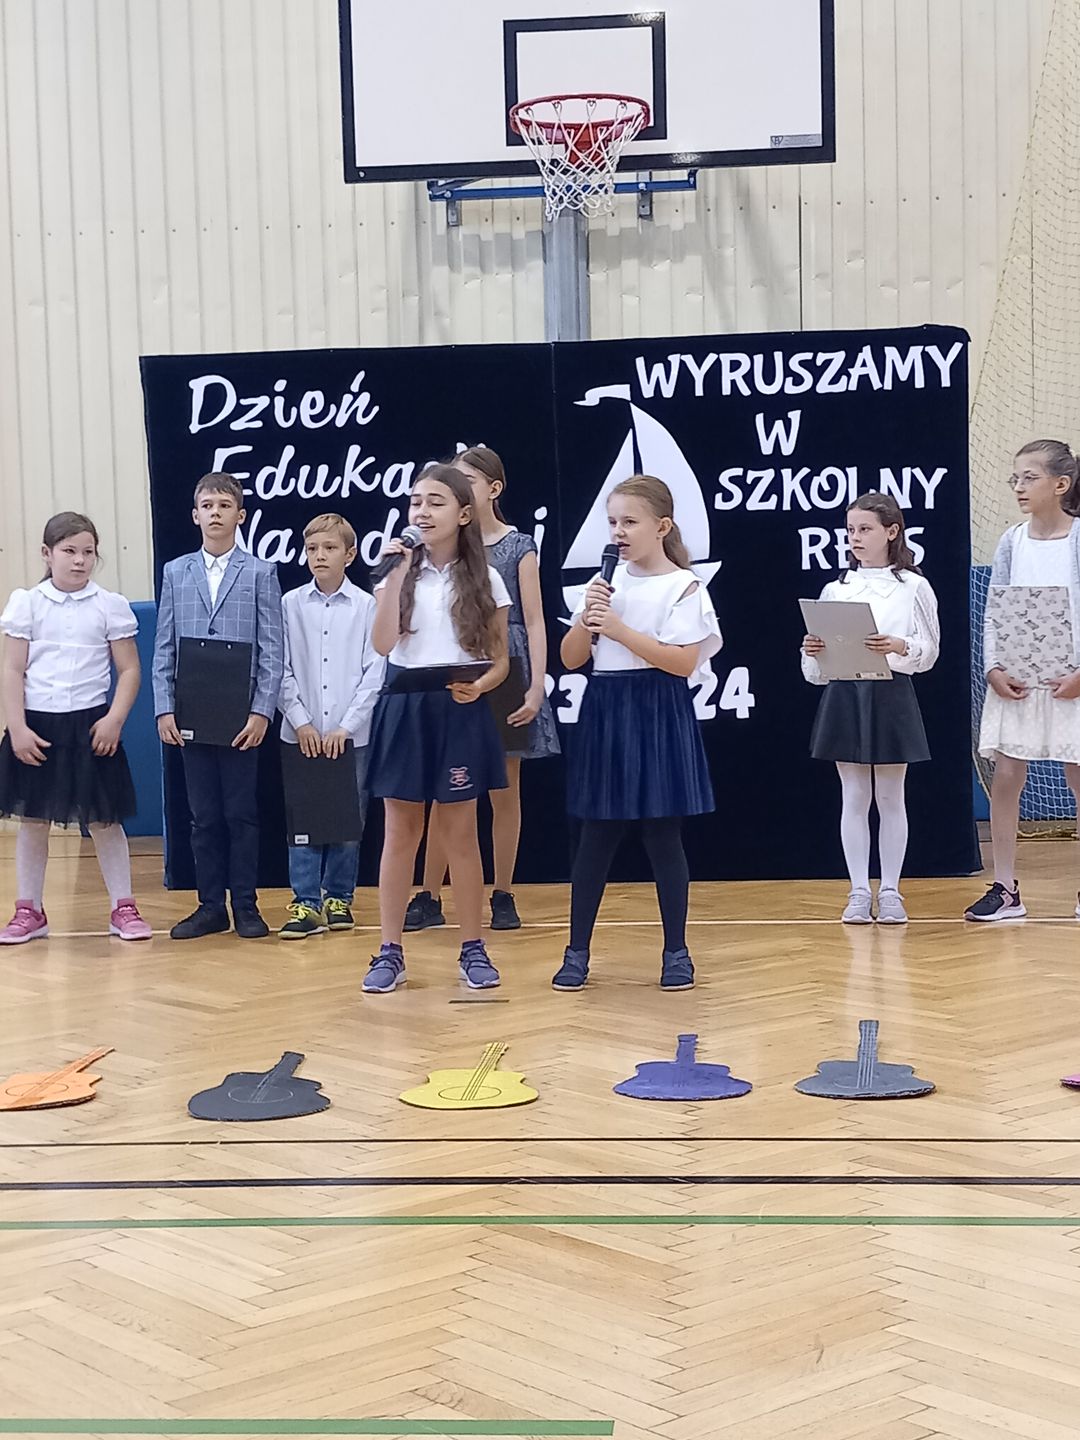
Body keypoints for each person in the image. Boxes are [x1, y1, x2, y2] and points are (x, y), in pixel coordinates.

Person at [552, 475, 720, 992]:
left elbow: (683, 662)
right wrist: (587, 618)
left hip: (658, 706)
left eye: (630, 521)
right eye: (612, 522)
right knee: (596, 835)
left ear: (661, 526)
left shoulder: (684, 585)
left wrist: (621, 630)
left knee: (662, 834)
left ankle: (676, 951)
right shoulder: (605, 584)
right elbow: (571, 658)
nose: (618, 532)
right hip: (607, 705)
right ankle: (577, 951)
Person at [362, 463, 510, 994]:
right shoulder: (397, 571)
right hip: (405, 708)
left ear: (464, 514)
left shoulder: (486, 577)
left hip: (458, 710)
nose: (422, 512)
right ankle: (390, 951)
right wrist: (394, 577)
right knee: (401, 832)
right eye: (415, 502)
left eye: (435, 502)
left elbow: (500, 660)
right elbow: (383, 644)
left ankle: (473, 947)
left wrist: (482, 685)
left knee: (460, 834)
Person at [405, 447, 560, 933]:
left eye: (468, 479)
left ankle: (504, 891)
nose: (459, 487)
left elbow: (533, 620)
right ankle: (429, 894)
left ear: (492, 489)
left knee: (505, 789)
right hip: (454, 665)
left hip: (504, 664)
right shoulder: (437, 549)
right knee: (444, 789)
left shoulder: (517, 546)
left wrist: (536, 685)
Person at [0, 512, 151, 943]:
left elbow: (129, 670)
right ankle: (29, 909)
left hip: (91, 727)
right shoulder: (27, 603)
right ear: (47, 554)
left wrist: (114, 719)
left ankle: (123, 906)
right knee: (33, 819)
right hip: (37, 726)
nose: (80, 560)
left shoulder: (109, 605)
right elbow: (12, 670)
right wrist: (17, 728)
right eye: (69, 551)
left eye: (88, 552)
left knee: (105, 820)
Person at [152, 472, 284, 940]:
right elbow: (164, 645)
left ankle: (245, 905)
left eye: (224, 506)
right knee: (203, 816)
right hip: (191, 711)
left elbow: (273, 648)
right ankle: (210, 906)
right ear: (195, 515)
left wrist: (262, 711)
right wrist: (164, 708)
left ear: (240, 515)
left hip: (240, 715)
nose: (215, 513)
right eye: (207, 506)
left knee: (240, 813)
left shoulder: (260, 572)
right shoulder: (176, 572)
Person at [801, 492, 940, 924]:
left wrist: (899, 646)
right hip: (846, 693)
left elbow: (930, 650)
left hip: (891, 693)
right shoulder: (836, 588)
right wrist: (813, 650)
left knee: (891, 795)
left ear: (892, 531)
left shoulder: (913, 586)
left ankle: (892, 891)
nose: (855, 538)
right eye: (851, 530)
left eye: (865, 529)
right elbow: (816, 671)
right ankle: (859, 890)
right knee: (855, 796)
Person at [966, 440, 1080, 920]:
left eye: (1029, 477)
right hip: (1018, 678)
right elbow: (995, 608)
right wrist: (993, 668)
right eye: (1015, 478)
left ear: (1061, 483)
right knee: (1008, 774)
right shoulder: (1012, 541)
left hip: (1071, 680)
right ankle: (1006, 887)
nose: (1018, 486)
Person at [276, 514, 384, 939]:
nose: (319, 556)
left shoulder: (366, 606)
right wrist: (300, 720)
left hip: (350, 735)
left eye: (330, 548)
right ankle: (306, 901)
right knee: (302, 815)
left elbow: (375, 671)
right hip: (300, 732)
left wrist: (347, 725)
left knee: (348, 815)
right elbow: (279, 667)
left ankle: (339, 897)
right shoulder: (289, 604)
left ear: (350, 554)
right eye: (312, 549)